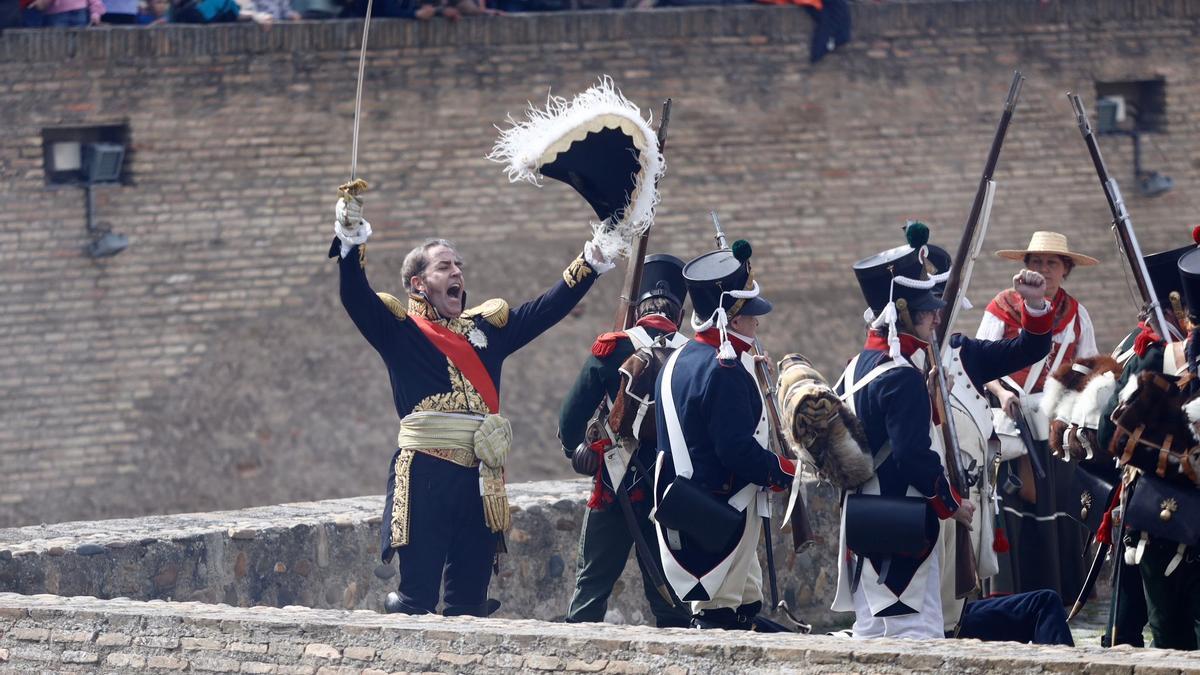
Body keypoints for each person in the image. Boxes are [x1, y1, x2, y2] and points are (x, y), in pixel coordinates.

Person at [333, 80, 660, 617]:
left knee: (469, 602)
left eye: (459, 265)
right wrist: (350, 242)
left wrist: (595, 255)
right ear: (418, 283)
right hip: (427, 475)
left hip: (481, 480)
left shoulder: (489, 329)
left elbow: (549, 306)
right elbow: (354, 295)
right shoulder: (400, 329)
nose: (457, 272)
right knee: (415, 602)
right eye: (444, 266)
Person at [831, 223, 1055, 640]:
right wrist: (952, 504)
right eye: (928, 308)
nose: (938, 314)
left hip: (869, 521)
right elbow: (912, 456)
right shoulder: (900, 374)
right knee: (914, 637)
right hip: (907, 520)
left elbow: (1029, 349)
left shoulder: (859, 364)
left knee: (879, 634)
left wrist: (1036, 304)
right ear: (903, 314)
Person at [652, 238, 796, 631]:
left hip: (694, 510)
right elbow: (736, 451)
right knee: (719, 622)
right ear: (731, 320)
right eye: (749, 314)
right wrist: (785, 471)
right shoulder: (724, 371)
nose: (756, 321)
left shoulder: (678, 360)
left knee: (745, 611)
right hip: (722, 514)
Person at [559, 254, 692, 628]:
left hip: (614, 483)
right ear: (679, 313)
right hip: (671, 489)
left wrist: (575, 449)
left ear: (637, 310)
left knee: (591, 592)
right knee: (670, 598)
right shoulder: (695, 354)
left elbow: (570, 417)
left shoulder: (612, 347)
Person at [977, 231, 1098, 602]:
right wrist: (1002, 393)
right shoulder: (1002, 306)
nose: (1043, 269)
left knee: (1057, 507)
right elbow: (981, 361)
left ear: (1065, 270)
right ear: (1026, 268)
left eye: (1052, 263)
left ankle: (1059, 594)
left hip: (1056, 427)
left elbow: (1089, 369)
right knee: (1011, 509)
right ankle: (1007, 596)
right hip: (1009, 425)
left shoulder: (1077, 314)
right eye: (1037, 263)